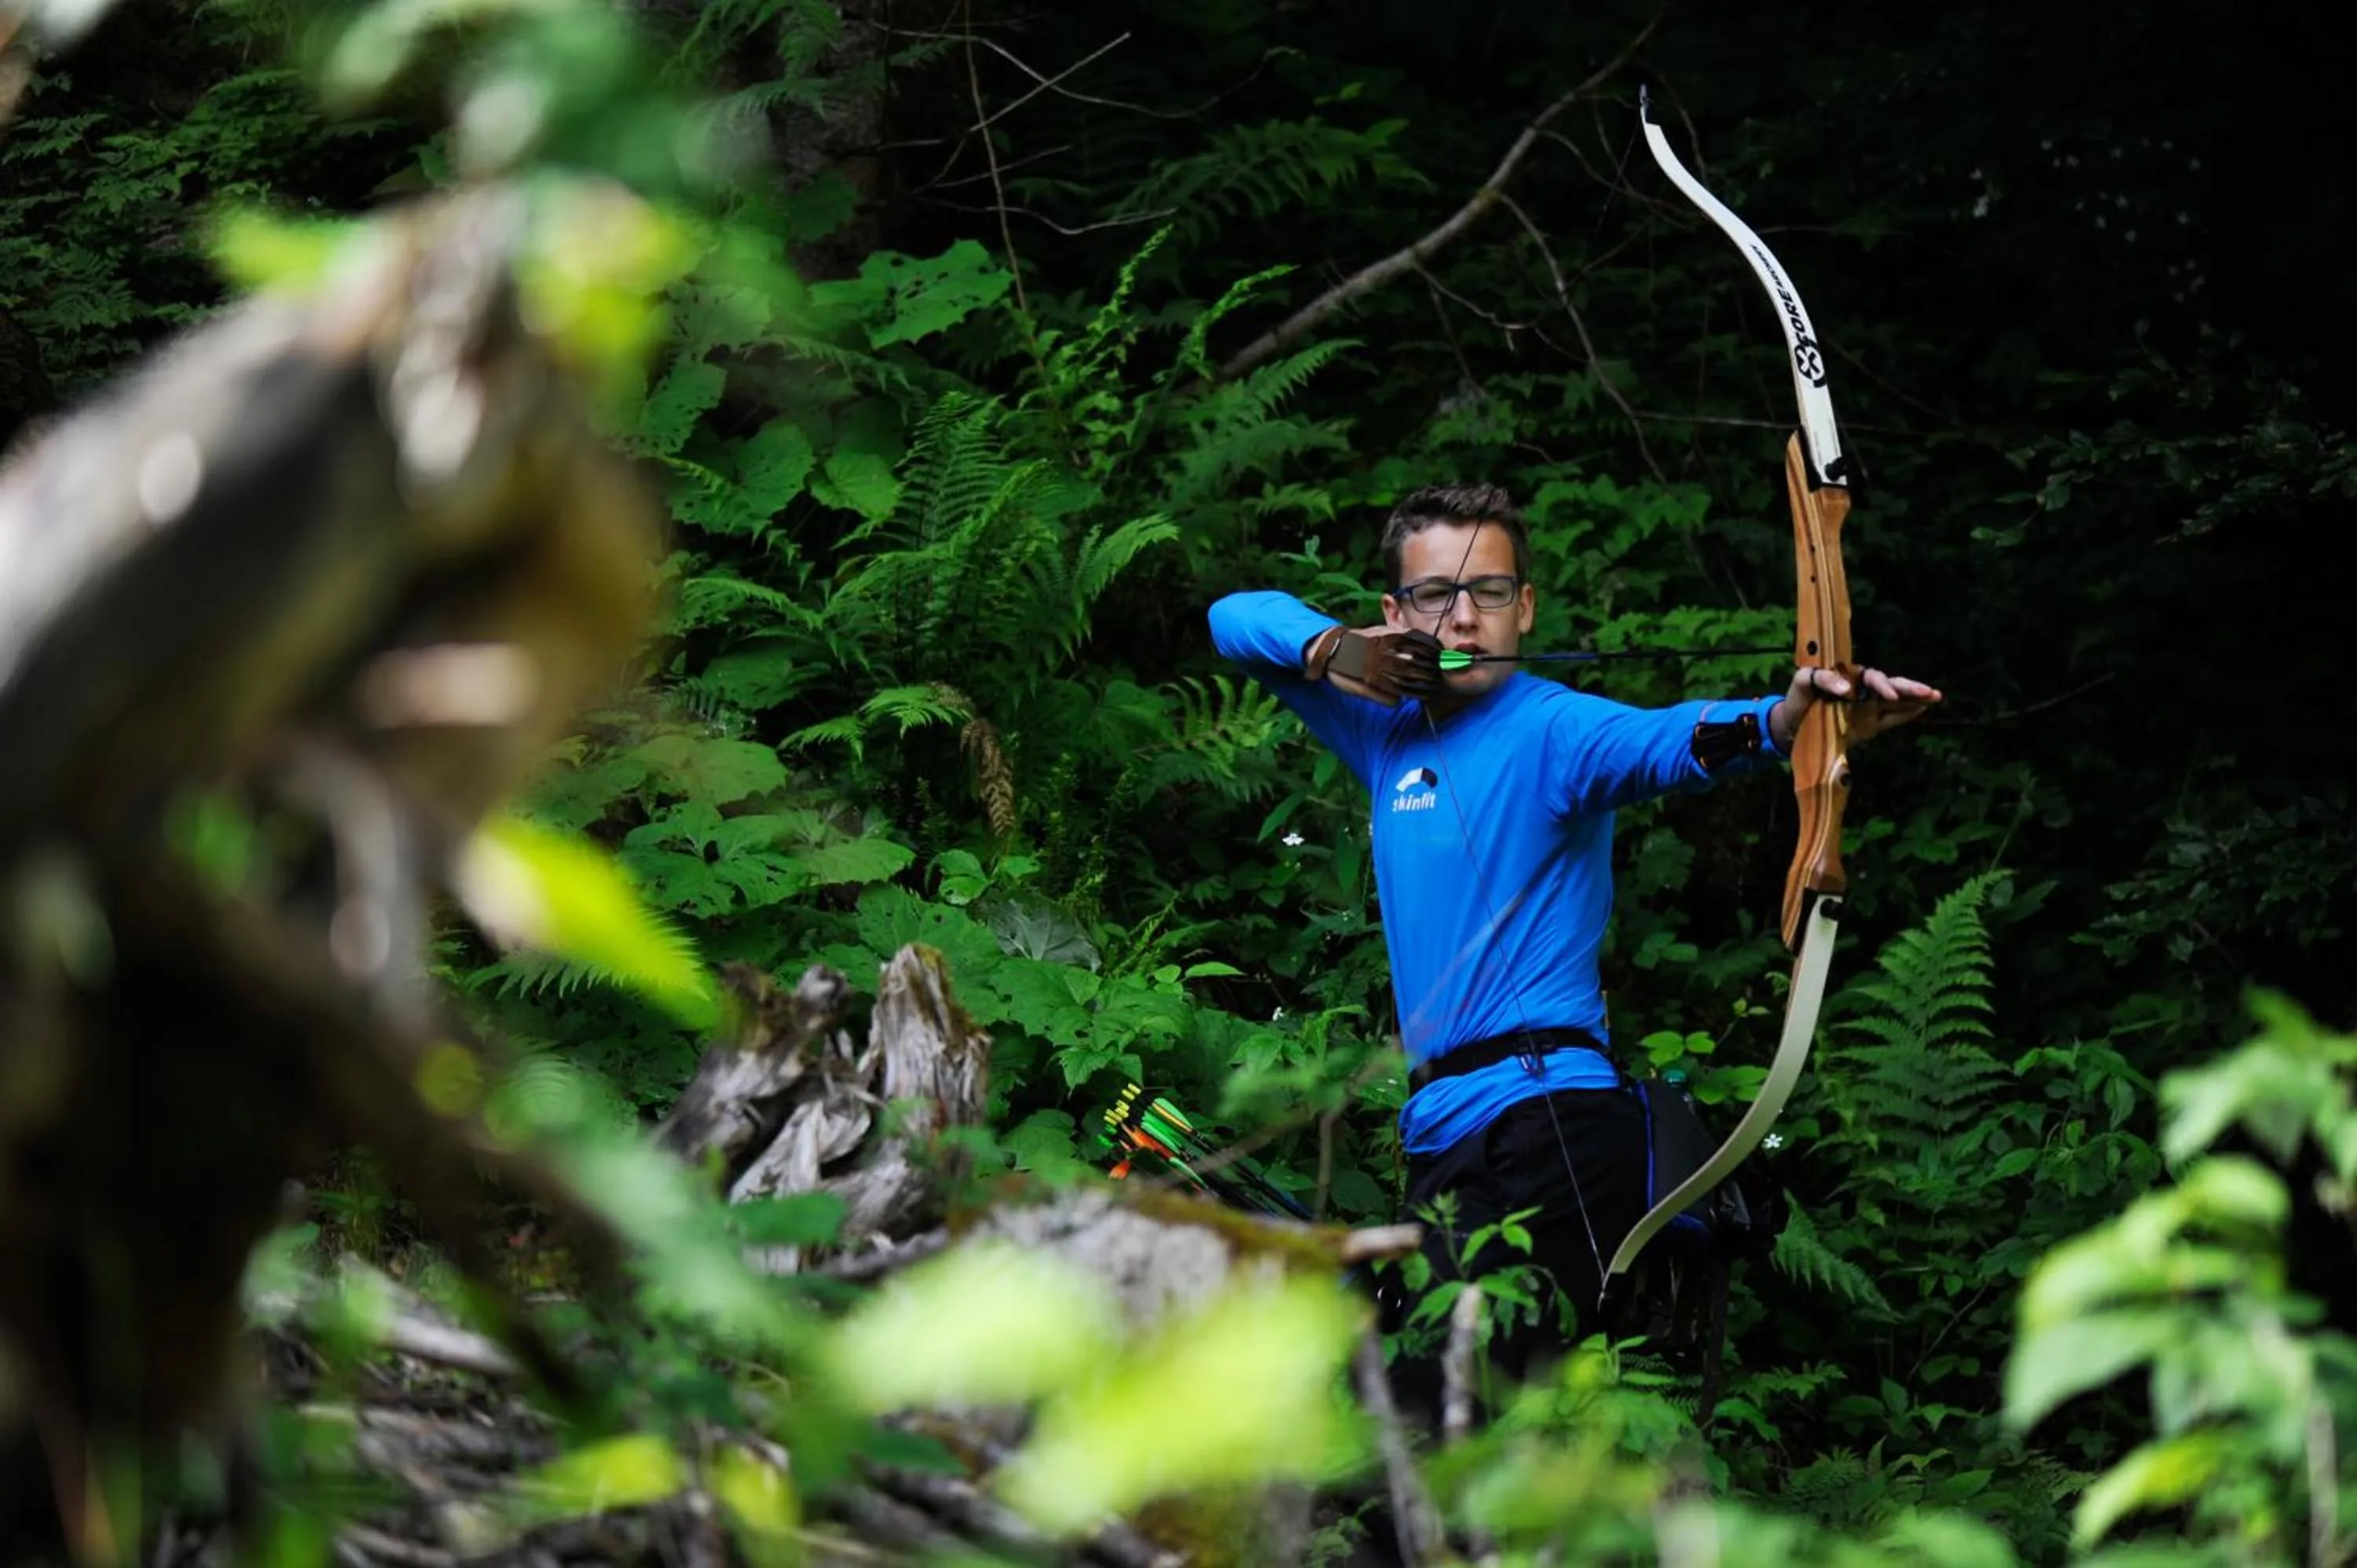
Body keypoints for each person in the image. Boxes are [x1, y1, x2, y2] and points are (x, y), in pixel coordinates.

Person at [1208, 483, 1941, 1393]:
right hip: (1443, 1138)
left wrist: (1791, 721)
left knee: (1441, 1426)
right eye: (1437, 595)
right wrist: (1335, 649)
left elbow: (1673, 739)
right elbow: (1233, 619)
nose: (1465, 619)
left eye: (1491, 593)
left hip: (1546, 1126)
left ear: (1528, 608)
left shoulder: (1554, 728)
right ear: (1396, 614)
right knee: (1417, 1425)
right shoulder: (1385, 736)